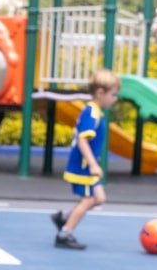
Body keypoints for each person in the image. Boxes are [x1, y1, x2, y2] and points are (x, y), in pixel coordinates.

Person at [52, 69, 121, 250]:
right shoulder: (92, 114)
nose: (115, 99)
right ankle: (65, 233)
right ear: (100, 92)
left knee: (99, 198)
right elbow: (83, 139)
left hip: (85, 165)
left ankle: (65, 218)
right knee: (88, 200)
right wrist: (92, 163)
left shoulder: (94, 111)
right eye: (113, 95)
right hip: (83, 166)